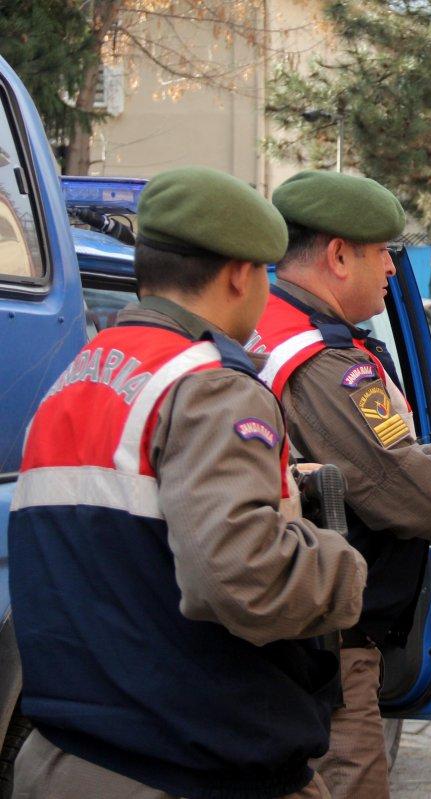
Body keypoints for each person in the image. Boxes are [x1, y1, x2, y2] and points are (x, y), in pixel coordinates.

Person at [9, 165, 368, 799]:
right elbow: (241, 574)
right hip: (192, 763)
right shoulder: (210, 385)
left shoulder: (74, 381)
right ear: (239, 273)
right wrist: (339, 566)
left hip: (69, 758)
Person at [250, 170, 431, 799]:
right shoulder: (326, 361)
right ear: (337, 255)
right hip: (326, 643)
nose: (391, 269)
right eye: (383, 251)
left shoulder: (266, 325)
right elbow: (409, 495)